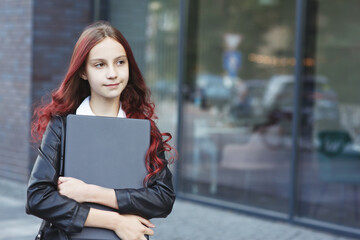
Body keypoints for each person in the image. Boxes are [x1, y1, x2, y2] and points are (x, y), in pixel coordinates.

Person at [26, 21, 176, 240]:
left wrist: (91, 193)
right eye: (100, 65)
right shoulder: (62, 127)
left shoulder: (143, 129)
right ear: (83, 72)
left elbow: (163, 198)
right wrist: (115, 222)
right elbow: (38, 197)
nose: (112, 73)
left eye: (120, 62)